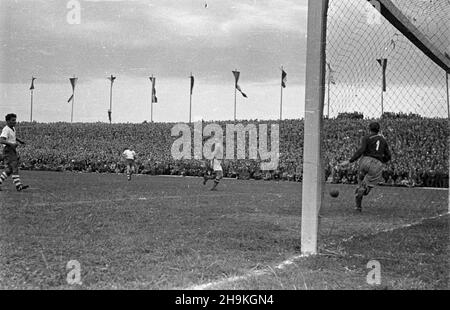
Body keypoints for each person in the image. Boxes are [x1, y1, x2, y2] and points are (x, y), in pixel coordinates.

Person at [340, 122, 391, 212]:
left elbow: (361, 150)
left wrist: (349, 161)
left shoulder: (366, 138)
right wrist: (381, 160)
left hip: (365, 161)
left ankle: (358, 206)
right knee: (366, 188)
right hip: (377, 164)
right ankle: (363, 190)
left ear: (369, 129)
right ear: (378, 130)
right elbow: (388, 156)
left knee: (360, 184)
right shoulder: (383, 140)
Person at [0, 113, 29, 191]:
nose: (15, 122)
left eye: (15, 120)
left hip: (12, 150)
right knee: (14, 166)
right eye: (13, 120)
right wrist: (11, 144)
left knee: (9, 170)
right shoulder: (6, 129)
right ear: (8, 121)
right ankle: (18, 186)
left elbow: (14, 137)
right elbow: (1, 140)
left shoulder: (12, 128)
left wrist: (20, 141)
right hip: (8, 150)